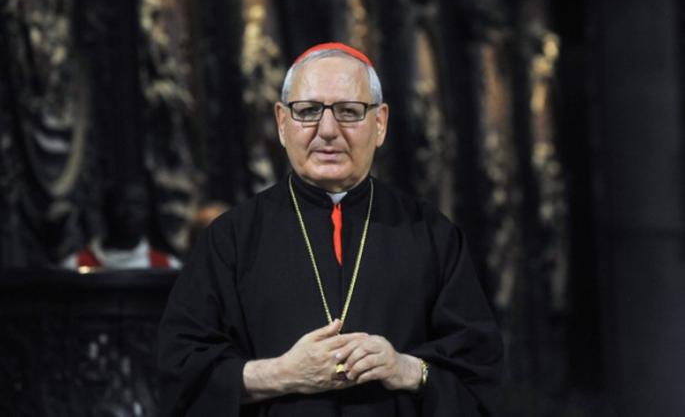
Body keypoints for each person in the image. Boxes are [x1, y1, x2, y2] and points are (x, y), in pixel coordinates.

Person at [157, 42, 503, 416]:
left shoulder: (431, 235)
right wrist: (281, 374)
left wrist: (406, 369)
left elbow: (480, 377)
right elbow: (180, 374)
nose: (327, 131)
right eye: (307, 111)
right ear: (281, 123)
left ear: (380, 123)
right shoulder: (231, 239)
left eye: (349, 112)